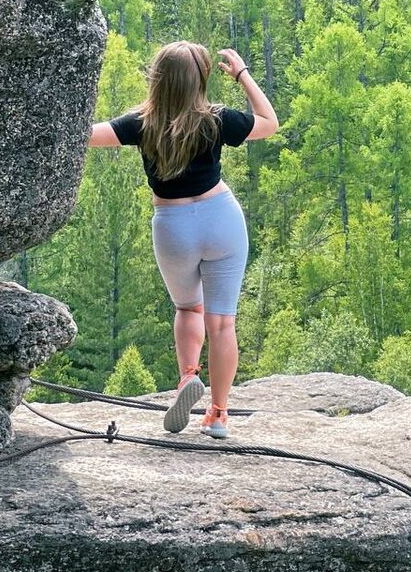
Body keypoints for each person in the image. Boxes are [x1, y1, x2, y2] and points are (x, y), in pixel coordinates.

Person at [87, 42, 278, 439]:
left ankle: (188, 377)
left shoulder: (140, 123)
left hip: (173, 226)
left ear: (157, 80)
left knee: (190, 309)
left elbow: (84, 136)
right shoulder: (216, 119)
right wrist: (242, 74)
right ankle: (219, 415)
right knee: (222, 322)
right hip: (221, 218)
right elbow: (269, 122)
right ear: (200, 80)